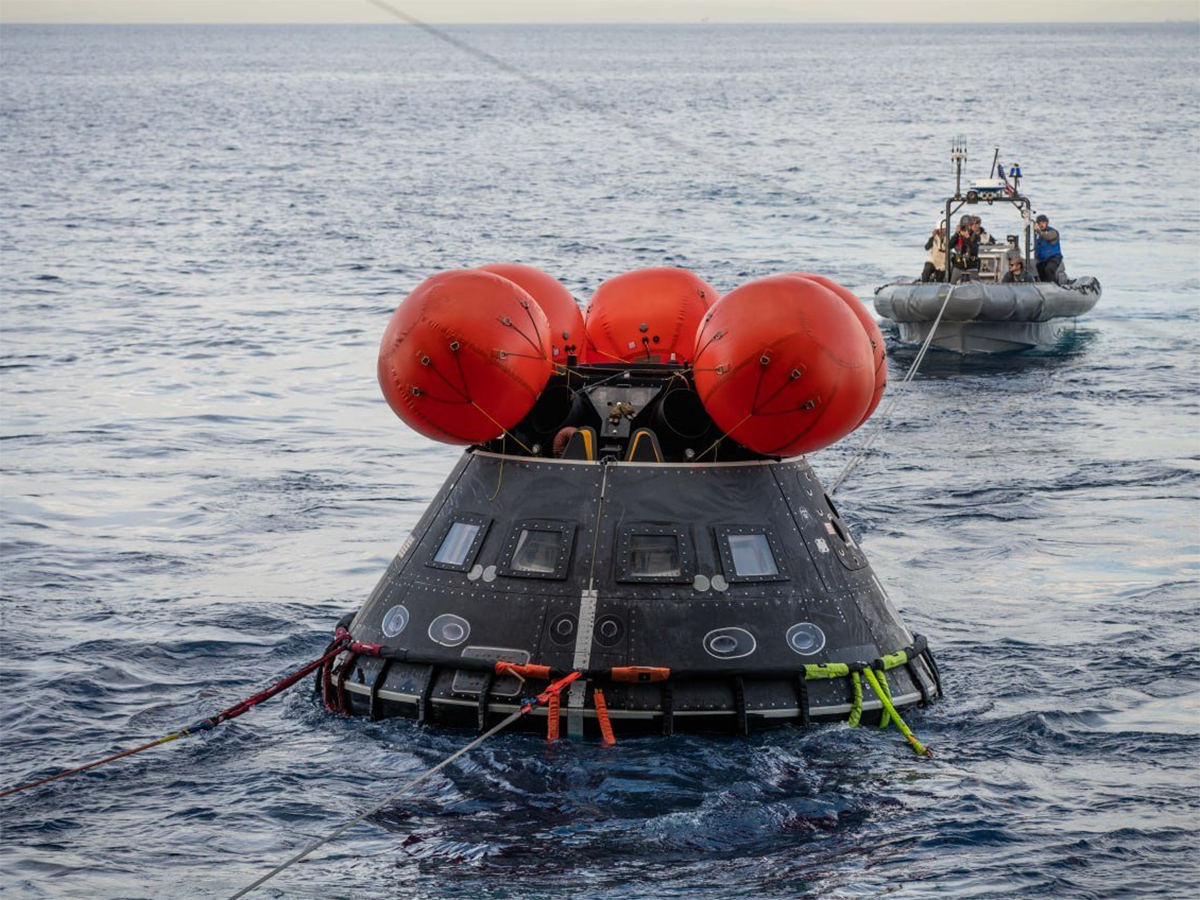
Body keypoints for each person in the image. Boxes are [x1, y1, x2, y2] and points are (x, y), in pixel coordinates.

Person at [1033, 214, 1067, 283]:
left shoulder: (1053, 232)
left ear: (1047, 223)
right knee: (1039, 268)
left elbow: (1047, 237)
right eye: (1039, 223)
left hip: (1054, 258)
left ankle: (1053, 285)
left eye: (1043, 223)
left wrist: (1038, 231)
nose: (1041, 225)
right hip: (1042, 259)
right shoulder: (1038, 235)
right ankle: (1044, 284)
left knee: (1049, 269)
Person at [949, 216, 978, 282]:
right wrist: (957, 234)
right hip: (959, 265)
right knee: (953, 283)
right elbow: (949, 246)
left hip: (971, 265)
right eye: (963, 226)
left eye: (967, 226)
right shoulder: (958, 236)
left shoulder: (976, 237)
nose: (965, 228)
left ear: (970, 226)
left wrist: (967, 237)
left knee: (976, 284)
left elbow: (974, 250)